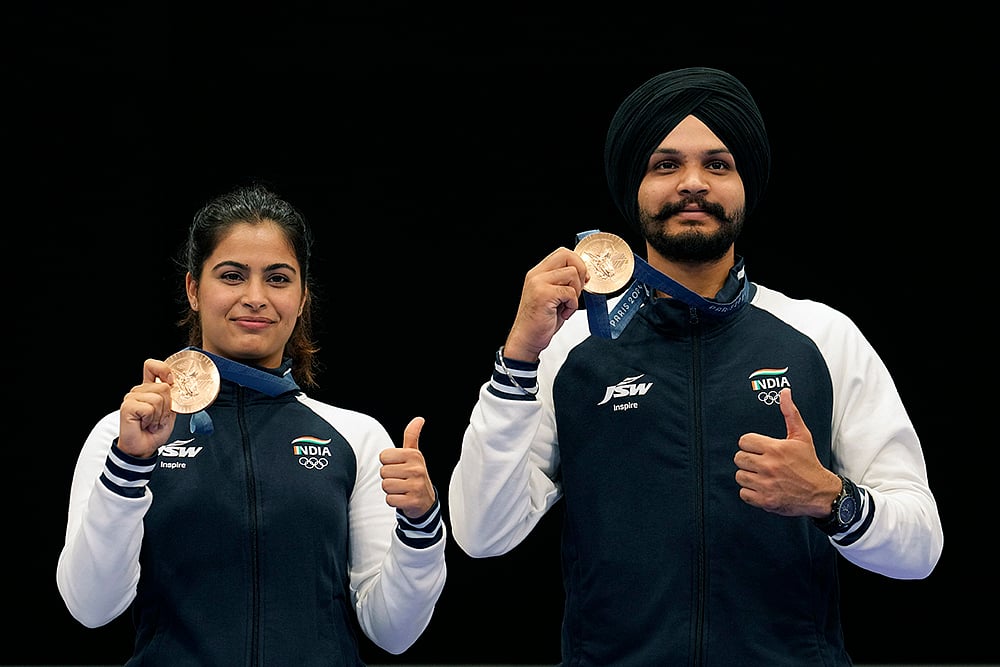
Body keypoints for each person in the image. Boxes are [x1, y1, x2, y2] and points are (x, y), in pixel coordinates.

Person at [448, 66, 943, 665]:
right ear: (635, 187)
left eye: (717, 164)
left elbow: (921, 548)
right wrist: (519, 355)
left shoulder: (823, 337)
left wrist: (830, 499)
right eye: (665, 165)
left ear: (744, 184)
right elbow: (480, 535)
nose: (691, 183)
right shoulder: (568, 347)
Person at [56, 182, 447, 665]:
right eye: (233, 275)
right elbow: (90, 608)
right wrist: (129, 467)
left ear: (302, 298)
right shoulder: (122, 436)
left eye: (279, 278)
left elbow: (394, 631)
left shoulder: (357, 437)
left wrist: (421, 526)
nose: (256, 297)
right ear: (194, 289)